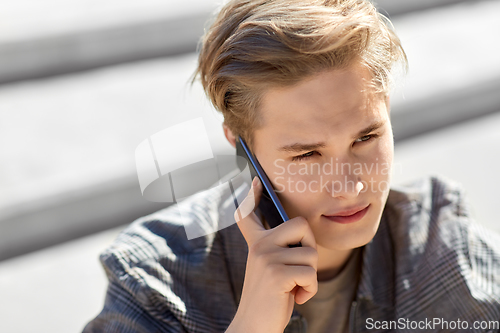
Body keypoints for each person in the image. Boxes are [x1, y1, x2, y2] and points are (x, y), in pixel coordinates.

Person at [83, 0, 500, 332]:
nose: (350, 187)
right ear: (241, 147)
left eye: (366, 138)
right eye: (307, 155)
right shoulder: (158, 280)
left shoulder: (437, 245)